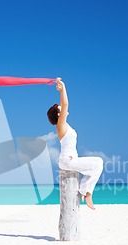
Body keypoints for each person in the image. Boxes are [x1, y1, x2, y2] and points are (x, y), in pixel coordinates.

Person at [47, 78, 103, 210]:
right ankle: (86, 192)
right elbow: (65, 104)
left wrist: (60, 90)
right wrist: (64, 88)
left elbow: (63, 104)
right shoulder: (60, 126)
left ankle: (85, 190)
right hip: (67, 161)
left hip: (71, 160)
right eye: (61, 109)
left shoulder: (65, 125)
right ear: (59, 114)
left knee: (96, 166)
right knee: (98, 163)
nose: (64, 108)